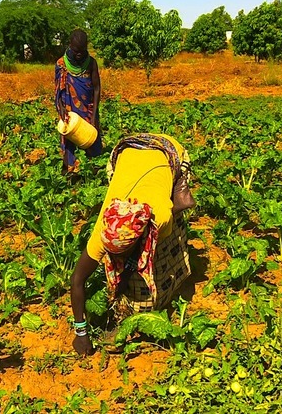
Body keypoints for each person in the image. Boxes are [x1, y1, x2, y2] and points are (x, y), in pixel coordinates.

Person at [69, 134, 193, 355]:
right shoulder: (104, 230)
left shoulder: (160, 217)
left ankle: (181, 198)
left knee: (166, 248)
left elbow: (139, 257)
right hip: (127, 151)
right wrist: (81, 332)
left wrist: (124, 279)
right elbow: (77, 279)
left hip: (170, 152)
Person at [55, 29, 102, 175]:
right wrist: (61, 108)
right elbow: (58, 90)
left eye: (82, 50)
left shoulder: (91, 63)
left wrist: (93, 116)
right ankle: (71, 172)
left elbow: (96, 89)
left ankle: (94, 171)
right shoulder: (61, 64)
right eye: (76, 50)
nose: (79, 54)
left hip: (88, 108)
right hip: (68, 109)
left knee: (92, 138)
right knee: (69, 139)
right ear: (70, 45)